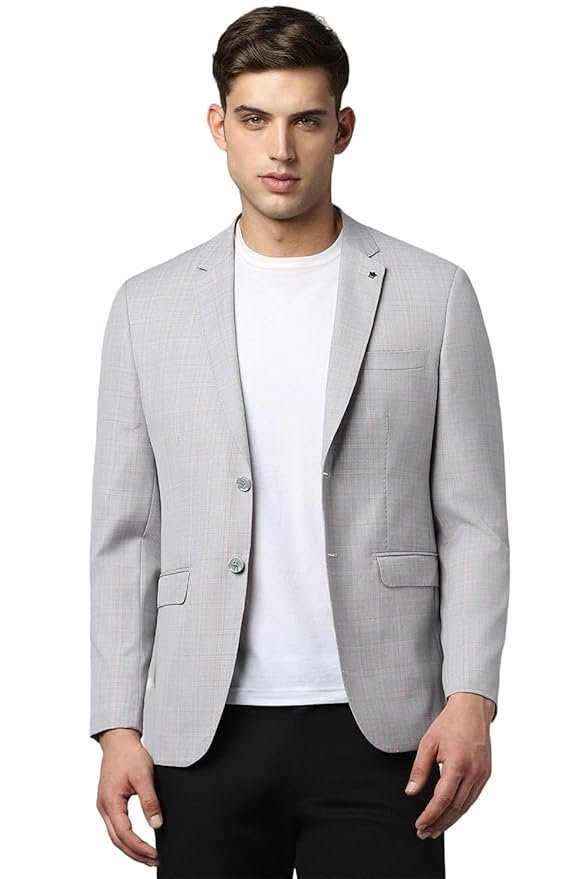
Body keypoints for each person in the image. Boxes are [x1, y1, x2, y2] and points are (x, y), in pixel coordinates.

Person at [90, 6, 510, 878]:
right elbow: (125, 535)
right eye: (255, 119)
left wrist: (472, 694)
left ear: (342, 129)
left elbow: (473, 520)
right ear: (219, 126)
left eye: (306, 121)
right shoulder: (146, 307)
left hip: (388, 730)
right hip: (202, 731)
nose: (279, 149)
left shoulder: (434, 294)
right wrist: (117, 721)